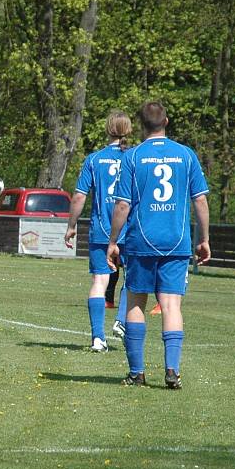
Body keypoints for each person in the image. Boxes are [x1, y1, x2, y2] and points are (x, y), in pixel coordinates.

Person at [107, 101, 210, 389]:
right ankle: (172, 372)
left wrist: (113, 241)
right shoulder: (186, 155)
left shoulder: (133, 157)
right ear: (165, 120)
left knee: (136, 302)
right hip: (176, 242)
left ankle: (137, 373)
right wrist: (204, 239)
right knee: (171, 305)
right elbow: (200, 200)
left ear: (141, 124)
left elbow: (123, 204)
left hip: (141, 240)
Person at [65, 110, 133, 351]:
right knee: (132, 280)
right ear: (129, 130)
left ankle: (97, 338)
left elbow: (79, 197)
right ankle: (122, 321)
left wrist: (72, 225)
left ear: (107, 129)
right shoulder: (136, 158)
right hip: (131, 230)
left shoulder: (94, 160)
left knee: (99, 281)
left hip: (102, 231)